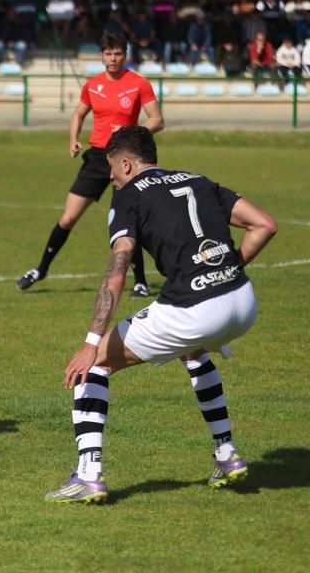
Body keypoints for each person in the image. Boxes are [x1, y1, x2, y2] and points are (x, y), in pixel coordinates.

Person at [46, 126, 277, 503]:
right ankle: (226, 453)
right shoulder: (198, 180)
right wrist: (226, 269)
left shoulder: (127, 197)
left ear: (125, 163)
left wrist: (90, 343)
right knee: (193, 350)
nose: (110, 178)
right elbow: (265, 224)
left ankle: (88, 475)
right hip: (243, 300)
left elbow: (117, 271)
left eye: (112, 169)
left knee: (97, 365)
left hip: (194, 309)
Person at [17, 33, 163, 296]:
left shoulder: (138, 83)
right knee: (69, 216)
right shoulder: (93, 85)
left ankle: (140, 281)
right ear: (102, 56)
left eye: (117, 53)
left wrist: (132, 131)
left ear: (125, 55)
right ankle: (41, 269)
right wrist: (73, 139)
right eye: (108, 53)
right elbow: (78, 114)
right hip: (97, 158)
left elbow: (157, 120)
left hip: (125, 159)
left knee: (127, 221)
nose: (113, 58)